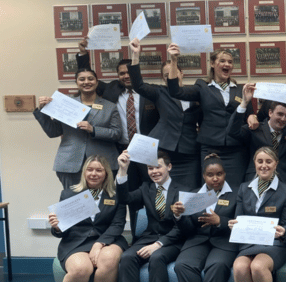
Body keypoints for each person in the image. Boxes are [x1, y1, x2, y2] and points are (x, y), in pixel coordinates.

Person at [50, 156, 127, 282]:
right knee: (80, 269)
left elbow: (117, 225)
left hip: (108, 239)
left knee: (107, 260)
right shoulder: (69, 194)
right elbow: (62, 230)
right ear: (84, 172)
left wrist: (99, 244)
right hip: (76, 241)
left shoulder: (116, 195)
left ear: (106, 173)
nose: (94, 173)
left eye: (99, 170)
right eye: (90, 169)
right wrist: (57, 227)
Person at [116, 150, 188, 282]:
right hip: (149, 236)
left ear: (169, 167)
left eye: (158, 167)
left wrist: (158, 245)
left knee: (157, 258)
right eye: (150, 168)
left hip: (173, 240)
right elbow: (124, 198)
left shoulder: (183, 191)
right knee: (127, 258)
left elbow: (182, 228)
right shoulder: (146, 188)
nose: (154, 171)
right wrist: (123, 170)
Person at [77, 37, 159, 191]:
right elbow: (88, 79)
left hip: (146, 149)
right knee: (128, 189)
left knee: (151, 189)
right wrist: (83, 54)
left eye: (129, 72)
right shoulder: (111, 89)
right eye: (122, 73)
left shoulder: (151, 92)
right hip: (121, 150)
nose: (126, 76)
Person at [167, 44, 252, 188]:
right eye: (223, 61)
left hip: (236, 149)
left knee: (236, 189)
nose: (227, 64)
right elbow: (176, 92)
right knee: (210, 191)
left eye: (230, 62)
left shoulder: (239, 89)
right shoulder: (202, 87)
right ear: (212, 64)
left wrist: (252, 118)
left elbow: (249, 115)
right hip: (210, 148)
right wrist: (174, 60)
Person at [229, 147, 286, 282]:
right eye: (260, 161)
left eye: (268, 162)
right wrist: (233, 225)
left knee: (258, 266)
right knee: (240, 267)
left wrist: (285, 230)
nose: (264, 166)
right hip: (249, 241)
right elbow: (239, 218)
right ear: (254, 163)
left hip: (275, 243)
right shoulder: (244, 188)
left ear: (276, 164)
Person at [172, 154, 239, 282]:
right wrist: (179, 216)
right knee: (182, 265)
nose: (215, 178)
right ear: (204, 175)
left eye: (219, 174)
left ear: (225, 174)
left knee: (216, 266)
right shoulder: (194, 195)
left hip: (224, 240)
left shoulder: (237, 193)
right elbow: (187, 230)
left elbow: (240, 222)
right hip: (198, 239)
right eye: (210, 174)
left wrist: (220, 221)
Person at [128, 38, 203, 190]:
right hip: (163, 150)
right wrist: (135, 55)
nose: (169, 78)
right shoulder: (160, 92)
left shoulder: (196, 94)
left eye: (172, 74)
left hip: (189, 153)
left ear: (181, 73)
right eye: (165, 76)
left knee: (189, 191)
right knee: (162, 192)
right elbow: (138, 85)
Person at [34, 68, 122, 189]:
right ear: (76, 82)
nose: (86, 82)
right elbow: (53, 132)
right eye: (82, 79)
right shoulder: (65, 104)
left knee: (101, 203)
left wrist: (94, 130)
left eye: (90, 79)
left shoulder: (110, 107)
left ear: (97, 82)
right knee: (74, 203)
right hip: (70, 163)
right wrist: (43, 111)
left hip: (102, 164)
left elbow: (117, 133)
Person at [227, 83, 286, 185]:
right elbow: (232, 132)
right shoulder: (256, 128)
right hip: (257, 179)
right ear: (270, 113)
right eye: (280, 114)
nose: (283, 119)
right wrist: (244, 103)